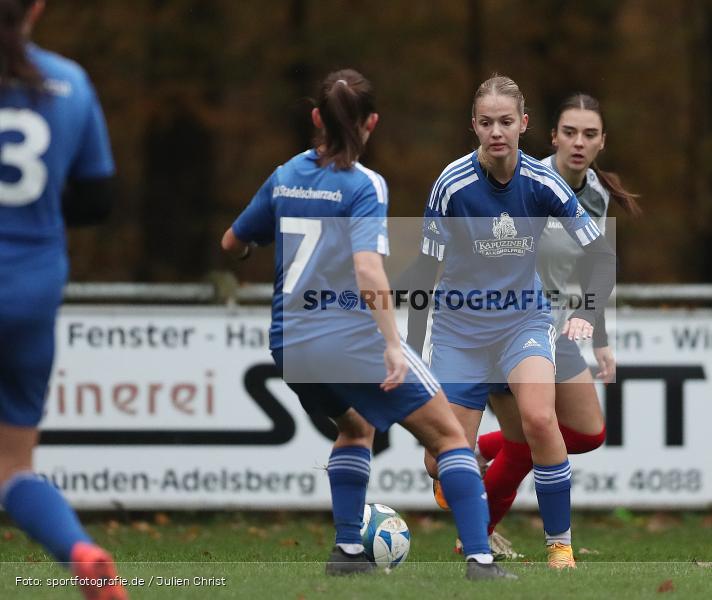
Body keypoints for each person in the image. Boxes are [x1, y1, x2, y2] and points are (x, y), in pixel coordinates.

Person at [221, 69, 514, 580]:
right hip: (349, 339)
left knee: (354, 429)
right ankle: (480, 560)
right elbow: (367, 268)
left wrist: (250, 245)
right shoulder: (365, 185)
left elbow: (232, 242)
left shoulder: (285, 174)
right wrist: (393, 344)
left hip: (290, 344)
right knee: (449, 437)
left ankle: (348, 553)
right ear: (371, 123)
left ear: (316, 118)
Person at [404, 75, 617, 569]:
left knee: (541, 420)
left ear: (523, 125)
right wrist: (414, 348)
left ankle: (559, 544)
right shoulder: (451, 185)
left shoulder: (543, 184)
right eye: (486, 122)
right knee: (441, 456)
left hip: (523, 322)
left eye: (505, 122)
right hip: (460, 332)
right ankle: (459, 472)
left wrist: (587, 312)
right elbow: (424, 270)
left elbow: (599, 255)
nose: (496, 131)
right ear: (473, 126)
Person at [475, 92, 642, 543]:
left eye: (589, 134)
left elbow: (595, 266)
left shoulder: (597, 195)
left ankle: (472, 452)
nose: (578, 142)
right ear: (552, 137)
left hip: (555, 325)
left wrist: (599, 334)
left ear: (603, 141)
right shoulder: (526, 180)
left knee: (587, 434)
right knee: (530, 441)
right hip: (507, 325)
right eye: (569, 132)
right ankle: (476, 534)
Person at [0, 1, 124, 599]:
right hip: (30, 290)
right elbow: (99, 199)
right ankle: (79, 549)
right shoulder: (70, 82)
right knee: (12, 466)